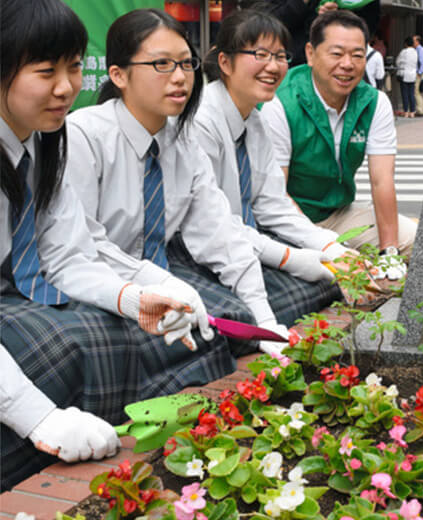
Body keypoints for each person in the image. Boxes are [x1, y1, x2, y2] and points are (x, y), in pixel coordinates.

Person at [1, 0, 236, 491]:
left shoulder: (46, 141)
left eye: (70, 68)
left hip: (23, 291)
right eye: (46, 71)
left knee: (131, 330)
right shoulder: (85, 135)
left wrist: (135, 300)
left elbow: (67, 255)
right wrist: (39, 419)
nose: (66, 88)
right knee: (64, 348)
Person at [64, 8, 293, 359]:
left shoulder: (182, 142)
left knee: (256, 311)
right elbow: (82, 247)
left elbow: (220, 231)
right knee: (120, 349)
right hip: (98, 281)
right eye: (161, 65)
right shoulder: (85, 136)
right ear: (118, 75)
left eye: (186, 64)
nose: (180, 77)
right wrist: (155, 284)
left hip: (157, 271)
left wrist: (263, 318)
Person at [194, 9, 358, 318]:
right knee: (252, 314)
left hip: (246, 243)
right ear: (225, 62)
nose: (273, 67)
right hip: (206, 251)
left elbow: (273, 204)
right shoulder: (202, 120)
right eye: (260, 54)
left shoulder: (254, 120)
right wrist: (292, 258)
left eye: (281, 56)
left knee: (326, 284)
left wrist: (329, 246)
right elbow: (211, 224)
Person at [261, 10, 417, 278]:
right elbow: (277, 195)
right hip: (285, 220)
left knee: (421, 243)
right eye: (336, 53)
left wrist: (389, 251)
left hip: (339, 214)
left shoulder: (374, 102)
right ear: (310, 53)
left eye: (357, 55)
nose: (347, 64)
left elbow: (382, 181)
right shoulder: (280, 102)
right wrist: (326, 245)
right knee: (344, 270)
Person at [396, 36, 418, 118]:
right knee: (411, 94)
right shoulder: (415, 52)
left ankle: (406, 112)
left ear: (405, 43)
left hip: (404, 75)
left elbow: (398, 62)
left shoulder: (404, 52)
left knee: (404, 94)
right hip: (412, 75)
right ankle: (412, 112)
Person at [412, 34, 423, 117]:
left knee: (417, 91)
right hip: (420, 73)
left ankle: (420, 110)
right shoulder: (416, 50)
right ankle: (420, 109)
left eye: (414, 41)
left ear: (417, 41)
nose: (412, 42)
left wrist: (419, 72)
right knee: (418, 92)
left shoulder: (421, 50)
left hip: (420, 74)